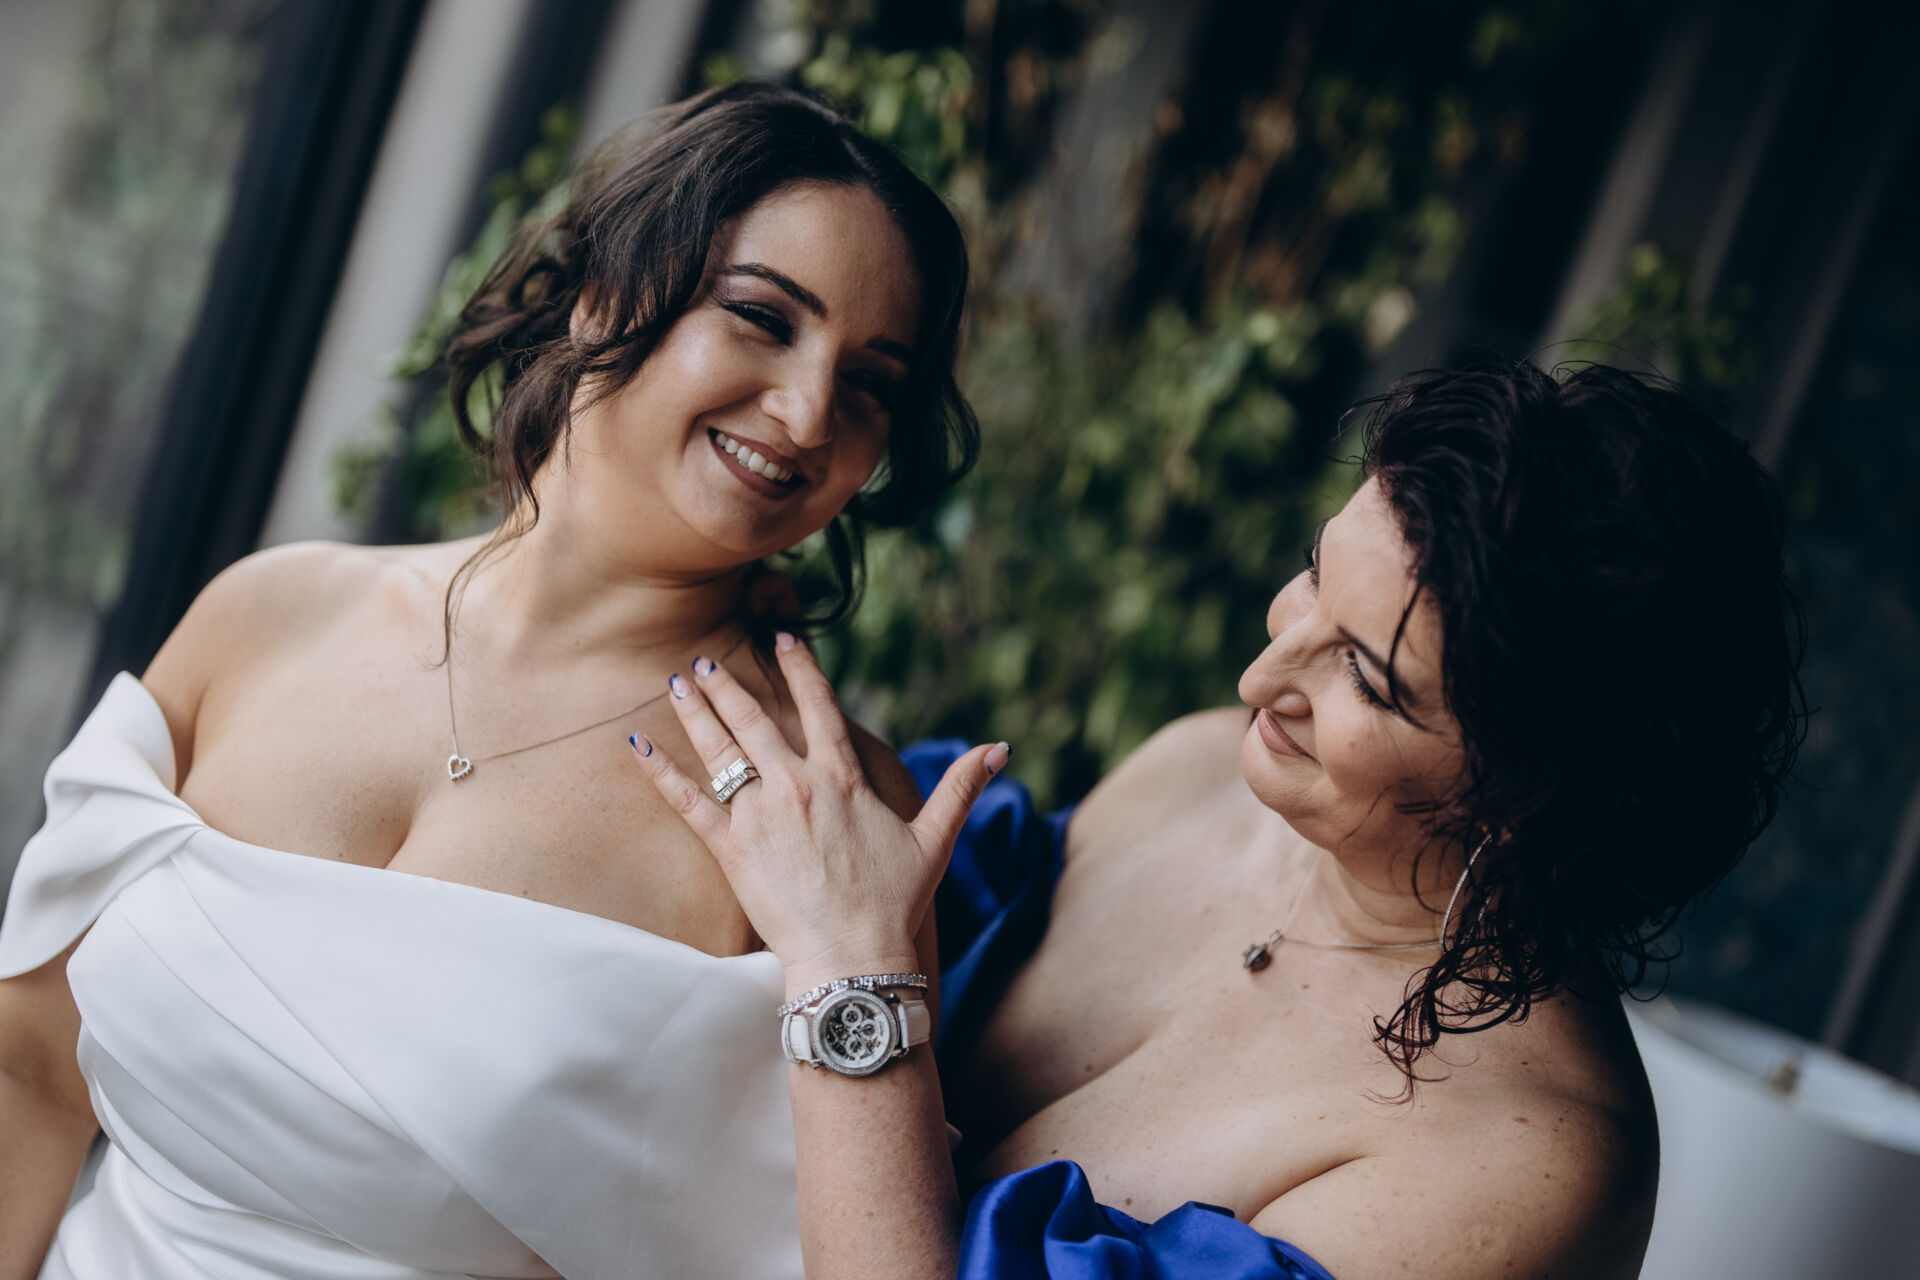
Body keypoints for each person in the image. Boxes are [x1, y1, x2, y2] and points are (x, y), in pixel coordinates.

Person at [0, 81, 975, 1280]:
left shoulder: (824, 815)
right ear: (607, 291)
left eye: (870, 383)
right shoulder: (269, 613)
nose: (810, 411)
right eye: (763, 317)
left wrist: (858, 963)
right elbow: (31, 1069)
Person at [634, 360, 1805, 1279]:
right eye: (1315, 573)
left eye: (1368, 678)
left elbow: (862, 957)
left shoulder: (1518, 1162)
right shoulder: (1205, 766)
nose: (1262, 676)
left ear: (1532, 795)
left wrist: (852, 982)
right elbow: (884, 884)